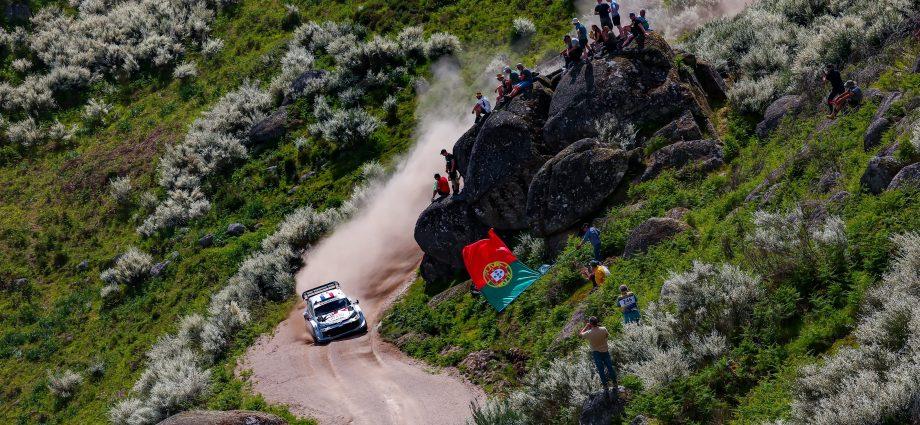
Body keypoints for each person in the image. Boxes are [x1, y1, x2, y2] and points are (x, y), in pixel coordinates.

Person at [580, 316, 617, 394]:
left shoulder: (589, 333)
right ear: (597, 322)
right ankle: (615, 383)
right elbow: (606, 335)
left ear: (590, 323)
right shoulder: (603, 329)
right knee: (610, 367)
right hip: (605, 351)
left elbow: (581, 334)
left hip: (596, 353)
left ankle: (605, 386)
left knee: (601, 370)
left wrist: (586, 326)